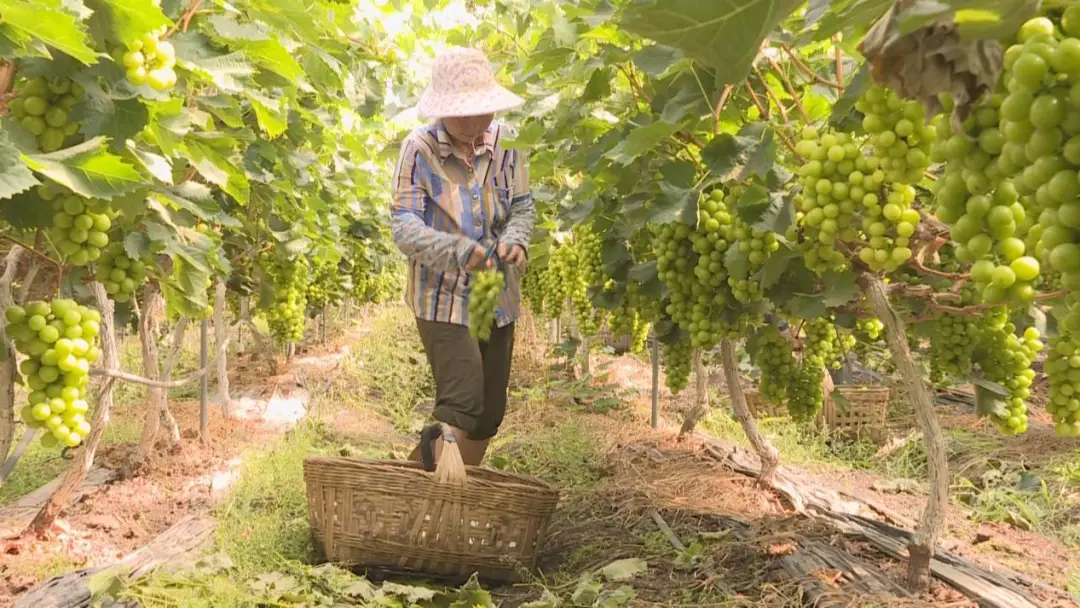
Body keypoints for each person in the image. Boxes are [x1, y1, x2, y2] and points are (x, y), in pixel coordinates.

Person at [390, 47, 535, 467]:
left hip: (497, 297)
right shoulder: (418, 150)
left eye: (482, 111)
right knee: (463, 400)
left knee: (489, 413)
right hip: (442, 295)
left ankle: (454, 495)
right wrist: (458, 251)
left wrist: (516, 241)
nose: (474, 124)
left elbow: (522, 206)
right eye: (462, 113)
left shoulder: (510, 144)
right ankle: (410, 492)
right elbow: (404, 225)